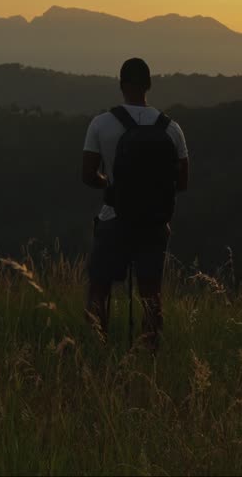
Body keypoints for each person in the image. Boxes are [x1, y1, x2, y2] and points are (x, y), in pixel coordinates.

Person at [81, 57, 189, 349]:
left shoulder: (101, 124)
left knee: (99, 287)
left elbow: (88, 175)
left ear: (121, 85)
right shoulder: (171, 128)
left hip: (113, 218)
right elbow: (182, 182)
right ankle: (150, 354)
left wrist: (110, 184)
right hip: (154, 222)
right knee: (151, 294)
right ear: (149, 85)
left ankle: (97, 349)